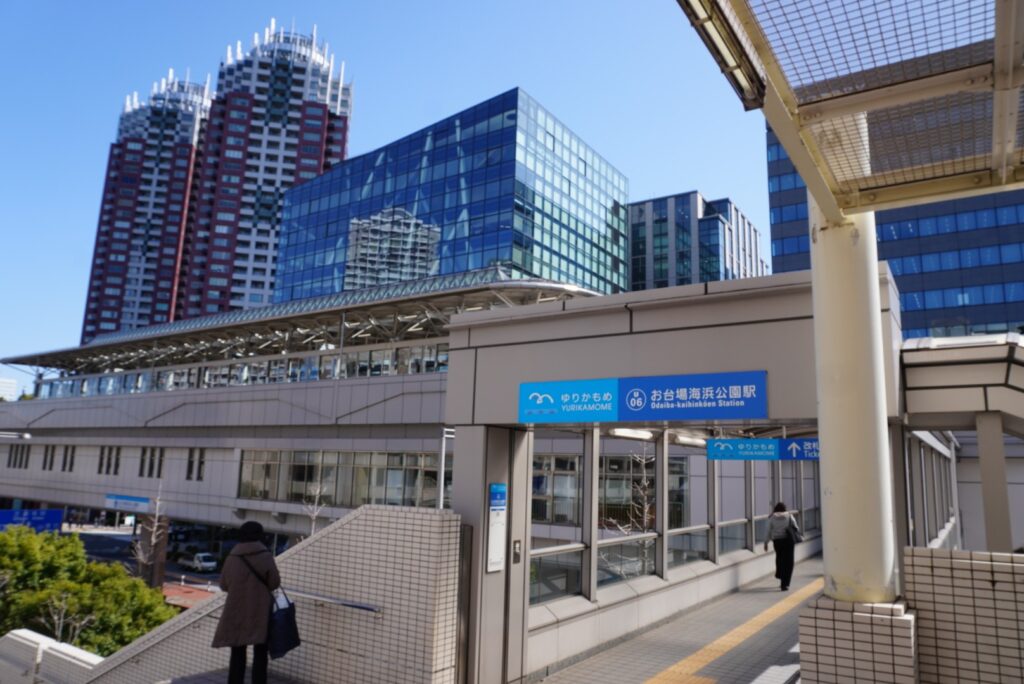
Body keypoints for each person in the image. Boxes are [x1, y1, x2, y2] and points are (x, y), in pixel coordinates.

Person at [213, 521, 281, 684]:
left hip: (237, 609)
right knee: (260, 653)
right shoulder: (265, 556)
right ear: (260, 535)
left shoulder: (232, 557)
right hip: (260, 611)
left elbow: (223, 585)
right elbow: (274, 583)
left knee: (237, 652)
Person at [763, 502, 801, 591]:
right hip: (788, 541)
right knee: (789, 562)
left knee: (780, 559)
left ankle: (780, 574)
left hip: (777, 541)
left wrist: (766, 543)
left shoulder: (772, 517)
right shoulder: (789, 516)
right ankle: (785, 584)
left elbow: (768, 531)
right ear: (784, 509)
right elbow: (796, 527)